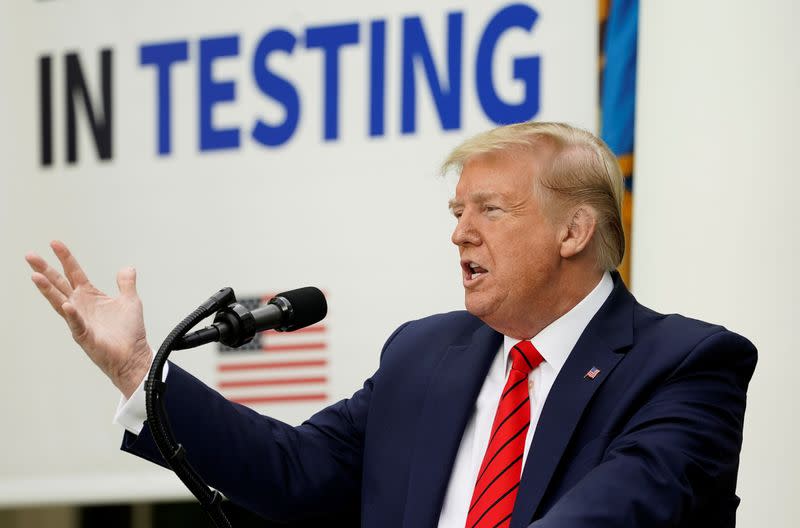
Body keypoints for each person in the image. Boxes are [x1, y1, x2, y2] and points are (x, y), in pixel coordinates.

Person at [26, 122, 757, 528]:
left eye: (489, 212)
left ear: (574, 231)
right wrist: (136, 367)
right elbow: (296, 474)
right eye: (456, 213)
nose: (459, 235)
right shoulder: (425, 353)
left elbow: (622, 511)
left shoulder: (687, 363)